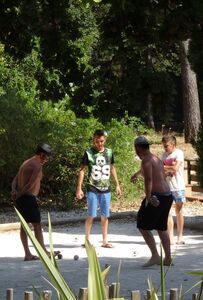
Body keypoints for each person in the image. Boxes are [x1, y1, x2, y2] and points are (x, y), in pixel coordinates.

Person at [131, 136, 173, 267]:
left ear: (138, 148)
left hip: (157, 196)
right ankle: (168, 259)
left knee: (142, 225)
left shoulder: (146, 160)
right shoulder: (155, 158)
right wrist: (136, 174)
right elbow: (152, 171)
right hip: (167, 195)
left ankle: (155, 256)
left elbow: (148, 179)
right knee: (161, 227)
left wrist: (148, 197)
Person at [76, 129, 122, 248]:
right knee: (91, 215)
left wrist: (117, 184)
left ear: (105, 140)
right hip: (93, 188)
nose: (99, 143)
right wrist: (79, 188)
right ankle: (87, 240)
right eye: (97, 141)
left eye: (101, 141)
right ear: (93, 140)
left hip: (106, 188)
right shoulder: (88, 153)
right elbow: (82, 170)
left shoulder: (109, 152)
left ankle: (105, 240)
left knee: (105, 215)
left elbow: (112, 168)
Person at [11, 143, 52, 261]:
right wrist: (18, 195)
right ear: (42, 154)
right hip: (27, 198)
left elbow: (15, 179)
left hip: (21, 198)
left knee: (24, 226)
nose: (48, 159)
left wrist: (14, 190)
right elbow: (30, 185)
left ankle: (28, 254)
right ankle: (44, 252)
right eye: (47, 156)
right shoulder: (37, 166)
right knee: (37, 225)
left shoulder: (26, 162)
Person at [161, 135, 186, 245]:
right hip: (167, 186)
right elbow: (161, 170)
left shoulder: (178, 153)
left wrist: (164, 167)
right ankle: (170, 237)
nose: (165, 148)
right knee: (167, 212)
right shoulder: (163, 155)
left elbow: (175, 168)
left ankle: (180, 236)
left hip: (178, 186)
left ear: (173, 144)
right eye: (164, 146)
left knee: (179, 210)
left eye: (166, 146)